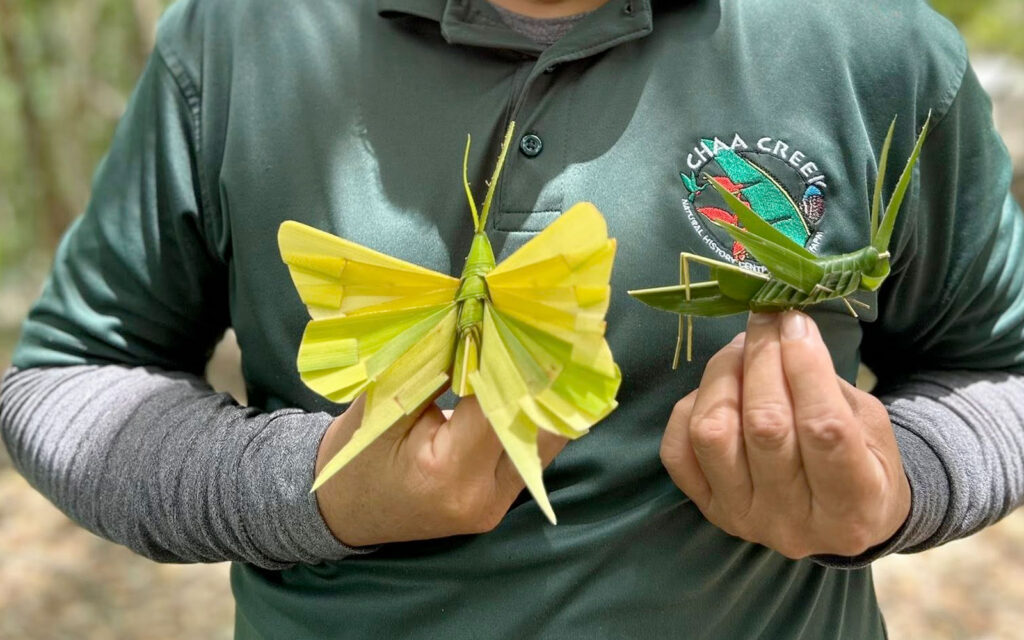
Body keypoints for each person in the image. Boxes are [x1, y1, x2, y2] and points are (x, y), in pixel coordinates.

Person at [2, 0, 1023, 637]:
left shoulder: (882, 45)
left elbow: (998, 368)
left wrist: (897, 488)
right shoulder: (234, 35)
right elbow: (67, 374)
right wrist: (323, 489)